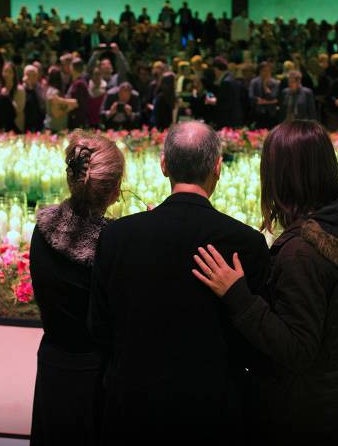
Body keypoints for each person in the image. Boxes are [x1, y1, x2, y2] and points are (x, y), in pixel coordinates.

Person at [192, 120, 338, 444]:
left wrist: (238, 296)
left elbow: (297, 349)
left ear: (280, 176)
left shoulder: (302, 252)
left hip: (311, 418)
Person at [88, 121, 271, 443]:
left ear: (164, 165)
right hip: (213, 412)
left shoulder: (117, 236)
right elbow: (256, 343)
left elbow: (99, 328)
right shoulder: (246, 243)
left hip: (133, 408)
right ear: (218, 168)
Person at [29, 131, 124, 445]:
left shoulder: (42, 229)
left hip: (54, 362)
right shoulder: (113, 244)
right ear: (115, 191)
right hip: (97, 372)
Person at [208, 57, 245, 129]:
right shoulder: (231, 79)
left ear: (216, 69)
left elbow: (224, 103)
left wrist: (211, 100)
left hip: (228, 120)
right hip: (235, 118)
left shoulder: (226, 82)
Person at [44, 66, 78, 133]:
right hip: (55, 129)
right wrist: (69, 108)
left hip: (52, 126)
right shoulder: (54, 92)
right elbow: (56, 114)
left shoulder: (50, 90)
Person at [248, 61, 279, 129]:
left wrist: (265, 86)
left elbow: (274, 97)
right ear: (260, 71)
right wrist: (257, 99)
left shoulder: (275, 83)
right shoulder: (254, 82)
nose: (266, 73)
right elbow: (251, 96)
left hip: (271, 114)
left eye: (268, 71)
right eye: (264, 71)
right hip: (258, 113)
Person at [22, 64, 45, 132]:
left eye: (36, 75)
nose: (36, 77)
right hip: (26, 122)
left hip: (39, 122)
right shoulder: (22, 89)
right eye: (33, 75)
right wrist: (29, 87)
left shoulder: (39, 87)